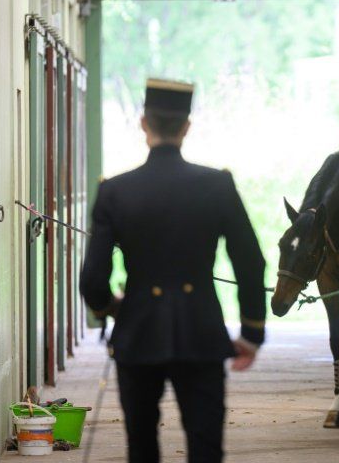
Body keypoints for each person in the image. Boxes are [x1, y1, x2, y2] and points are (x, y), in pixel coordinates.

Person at [80, 78, 267, 462]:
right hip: (201, 330)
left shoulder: (115, 190)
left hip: (138, 331)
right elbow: (250, 260)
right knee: (206, 448)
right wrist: (252, 331)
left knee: (141, 448)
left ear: (143, 124)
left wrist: (109, 307)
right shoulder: (217, 185)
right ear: (186, 127)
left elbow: (93, 277)